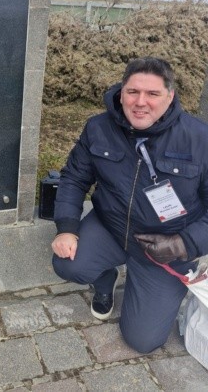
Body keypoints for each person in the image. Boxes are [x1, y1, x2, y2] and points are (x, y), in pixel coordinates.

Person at [51, 57, 208, 353]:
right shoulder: (98, 128)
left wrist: (182, 244)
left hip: (167, 247)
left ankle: (147, 284)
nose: (140, 102)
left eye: (153, 94)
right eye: (133, 92)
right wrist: (67, 228)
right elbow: (73, 178)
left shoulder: (200, 139)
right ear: (121, 93)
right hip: (111, 227)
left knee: (143, 341)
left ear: (170, 96)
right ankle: (104, 278)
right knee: (67, 263)